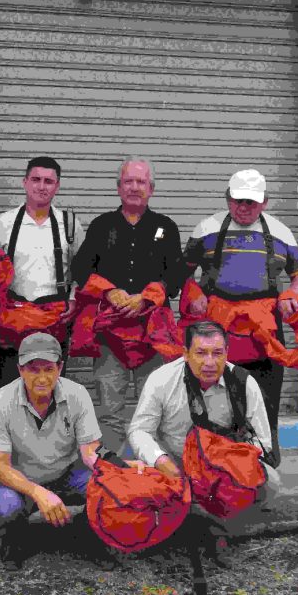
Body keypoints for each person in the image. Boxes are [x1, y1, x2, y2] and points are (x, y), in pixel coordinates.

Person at [181, 169, 298, 467]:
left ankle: (264, 466)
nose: (244, 207)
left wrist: (293, 294)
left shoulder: (281, 233)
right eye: (238, 200)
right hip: (217, 333)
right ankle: (212, 468)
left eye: (251, 202)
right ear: (228, 198)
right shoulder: (206, 229)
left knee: (264, 405)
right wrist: (192, 293)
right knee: (215, 403)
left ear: (265, 202)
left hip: (264, 333)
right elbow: (183, 272)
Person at [127, 320, 280, 560]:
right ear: (186, 353)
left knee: (269, 481)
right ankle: (173, 528)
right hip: (173, 465)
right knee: (136, 485)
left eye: (217, 353)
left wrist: (227, 467)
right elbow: (139, 431)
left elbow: (263, 443)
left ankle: (223, 529)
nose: (210, 362)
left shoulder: (243, 383)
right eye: (200, 353)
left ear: (227, 353)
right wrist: (160, 460)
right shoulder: (161, 380)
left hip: (220, 468)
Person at [0, 332, 132, 571]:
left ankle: (89, 537)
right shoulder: (0, 401)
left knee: (108, 487)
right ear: (20, 369)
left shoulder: (77, 394)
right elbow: (0, 467)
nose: (42, 378)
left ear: (60, 367)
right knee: (4, 506)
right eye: (33, 370)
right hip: (24, 480)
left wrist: (122, 469)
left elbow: (90, 450)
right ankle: (15, 541)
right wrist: (39, 493)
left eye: (49, 369)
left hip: (67, 473)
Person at [69, 158, 187, 449]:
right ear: (118, 187)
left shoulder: (165, 227)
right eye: (128, 181)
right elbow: (81, 268)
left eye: (141, 182)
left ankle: (157, 473)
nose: (135, 187)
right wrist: (110, 292)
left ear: (152, 189)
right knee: (110, 412)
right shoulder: (101, 226)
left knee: (157, 410)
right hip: (110, 336)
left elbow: (176, 273)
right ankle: (116, 474)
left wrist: (147, 297)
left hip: (154, 337)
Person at [0, 156, 84, 384]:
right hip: (13, 322)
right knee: (11, 390)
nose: (41, 186)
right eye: (36, 179)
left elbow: (83, 270)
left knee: (51, 391)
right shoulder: (2, 224)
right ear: (24, 182)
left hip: (55, 323)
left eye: (48, 181)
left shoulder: (70, 224)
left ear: (57, 186)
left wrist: (73, 299)